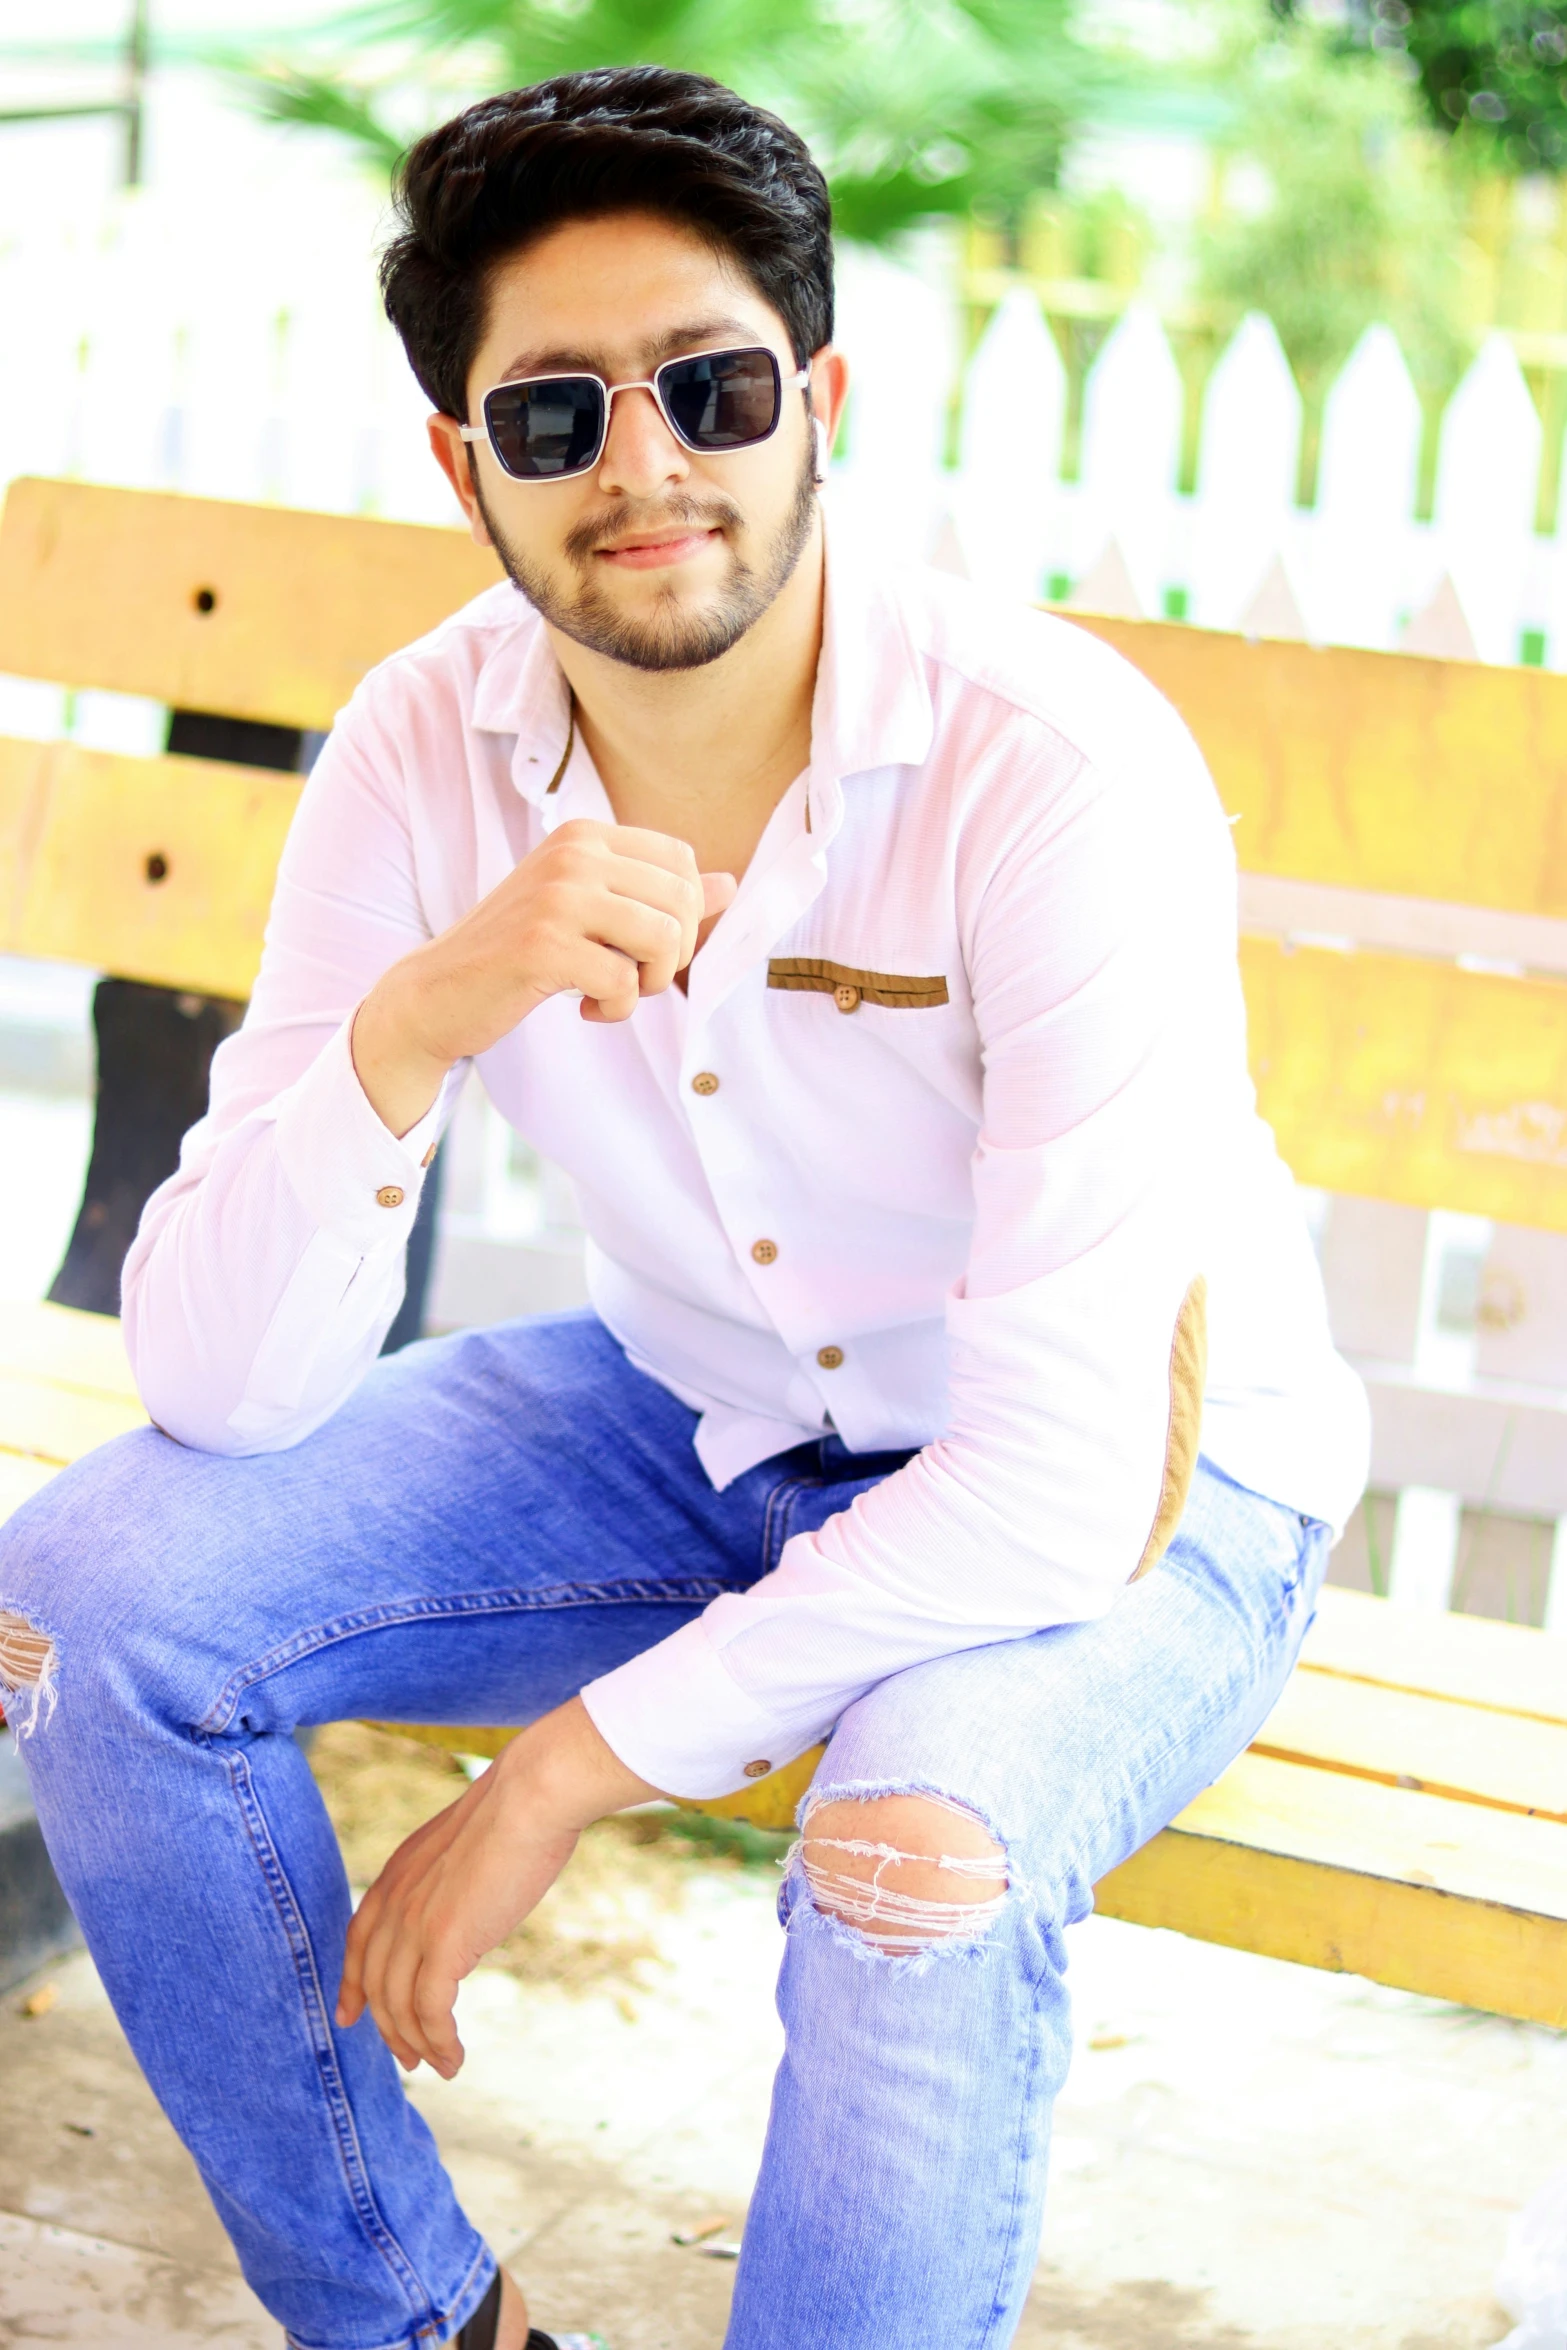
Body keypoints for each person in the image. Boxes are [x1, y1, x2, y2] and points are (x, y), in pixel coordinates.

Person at [0, 65, 1369, 2350]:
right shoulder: (419, 750)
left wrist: (566, 1769)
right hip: (701, 1408)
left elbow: (1046, 1488)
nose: (643, 467)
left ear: (817, 400)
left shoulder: (1054, 762)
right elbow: (221, 1381)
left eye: (711, 388)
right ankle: (425, 2322)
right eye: (555, 417)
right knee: (82, 1597)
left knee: (911, 1850)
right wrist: (425, 1016)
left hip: (1134, 1471)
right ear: (464, 465)